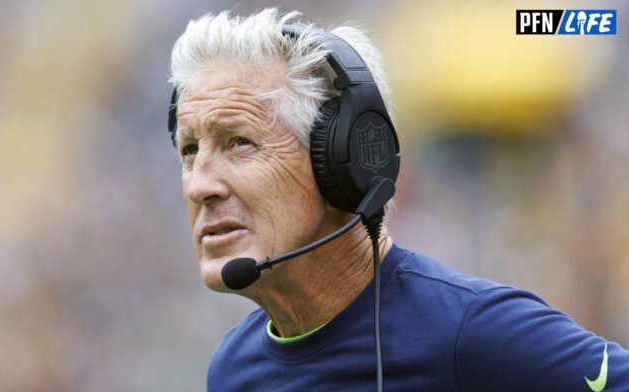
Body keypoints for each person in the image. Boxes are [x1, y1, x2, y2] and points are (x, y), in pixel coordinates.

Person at [167, 8, 629, 391]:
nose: (198, 185)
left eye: (239, 143)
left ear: (344, 162)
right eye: (190, 150)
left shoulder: (475, 334)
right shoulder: (233, 369)